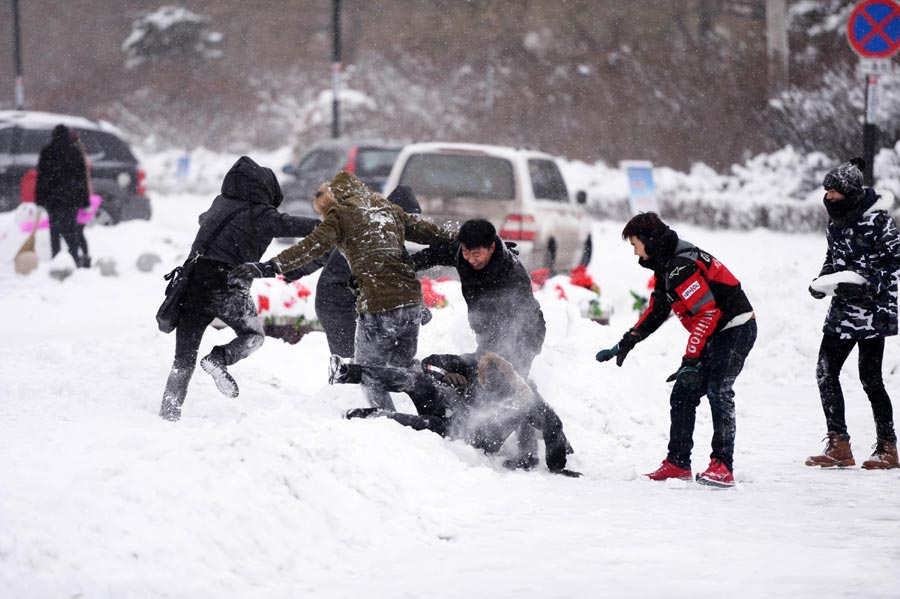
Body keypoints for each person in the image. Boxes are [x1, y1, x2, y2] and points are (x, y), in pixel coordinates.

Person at [230, 172, 456, 410]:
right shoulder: (386, 215)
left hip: (379, 305)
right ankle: (427, 412)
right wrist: (469, 240)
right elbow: (434, 234)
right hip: (382, 304)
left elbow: (312, 246)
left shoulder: (352, 217)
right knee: (393, 368)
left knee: (369, 371)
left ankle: (388, 419)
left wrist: (268, 267)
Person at [595, 212, 756, 487]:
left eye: (635, 244)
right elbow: (658, 310)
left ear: (649, 240)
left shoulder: (681, 266)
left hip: (735, 329)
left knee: (719, 390)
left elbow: (707, 313)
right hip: (715, 332)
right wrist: (626, 342)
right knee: (683, 393)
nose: (635, 253)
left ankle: (722, 466)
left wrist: (691, 358)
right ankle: (678, 463)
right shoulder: (666, 263)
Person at [159, 156, 320, 421]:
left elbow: (205, 219)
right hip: (228, 284)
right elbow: (290, 224)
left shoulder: (219, 203)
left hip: (192, 284)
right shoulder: (261, 215)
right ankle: (220, 358)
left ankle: (168, 413)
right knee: (253, 335)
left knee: (183, 359)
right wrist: (327, 226)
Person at [412, 218, 548, 468]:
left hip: (524, 333)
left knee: (514, 386)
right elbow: (434, 255)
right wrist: (409, 265)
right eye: (466, 252)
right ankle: (482, 423)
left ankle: (527, 453)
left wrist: (500, 353)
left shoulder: (511, 274)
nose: (470, 259)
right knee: (490, 380)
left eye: (477, 254)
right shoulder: (463, 254)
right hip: (488, 332)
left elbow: (520, 320)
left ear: (492, 248)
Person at [330, 351, 580, 476]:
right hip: (449, 405)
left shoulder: (524, 397)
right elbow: (428, 361)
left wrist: (558, 465)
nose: (483, 387)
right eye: (480, 380)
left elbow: (553, 425)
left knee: (421, 424)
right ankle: (346, 372)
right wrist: (441, 374)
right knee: (415, 379)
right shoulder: (473, 362)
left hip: (465, 435)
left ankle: (364, 415)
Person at [805, 158, 900, 470]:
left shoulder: (879, 223)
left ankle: (888, 446)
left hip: (874, 312)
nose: (829, 197)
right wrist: (821, 283)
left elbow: (894, 263)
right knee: (824, 370)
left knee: (870, 378)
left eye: (835, 192)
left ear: (852, 193)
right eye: (827, 192)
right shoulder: (836, 222)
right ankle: (838, 444)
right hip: (842, 309)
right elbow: (833, 258)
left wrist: (868, 287)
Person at [284, 185, 424, 358]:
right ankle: (341, 385)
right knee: (350, 361)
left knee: (370, 360)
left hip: (354, 304)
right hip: (335, 304)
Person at [35, 124, 91, 267]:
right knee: (71, 230)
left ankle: (56, 258)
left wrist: (39, 200)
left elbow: (41, 178)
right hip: (71, 200)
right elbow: (82, 179)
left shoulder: (47, 152)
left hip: (52, 200)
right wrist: (85, 202)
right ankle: (74, 259)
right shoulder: (75, 152)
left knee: (54, 231)